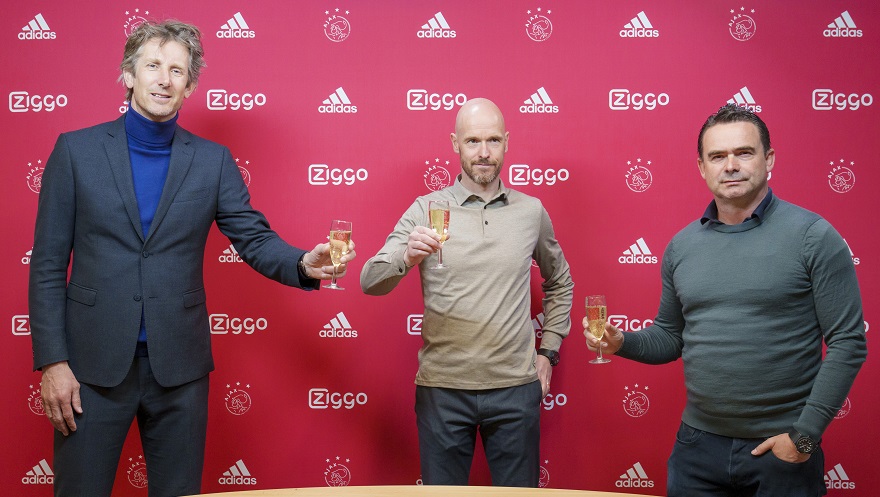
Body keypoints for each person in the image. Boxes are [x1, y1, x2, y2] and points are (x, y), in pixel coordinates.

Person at [28, 20, 355, 497]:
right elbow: (47, 266)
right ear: (129, 75)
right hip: (88, 370)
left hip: (179, 370)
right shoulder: (76, 152)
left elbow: (254, 238)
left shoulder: (212, 161)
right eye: (153, 66)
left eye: (177, 70)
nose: (164, 79)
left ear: (190, 86)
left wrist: (305, 262)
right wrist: (53, 363)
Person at [584, 103, 867, 497]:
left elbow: (848, 342)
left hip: (781, 451)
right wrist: (622, 343)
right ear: (702, 167)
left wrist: (804, 438)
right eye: (717, 156)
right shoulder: (681, 246)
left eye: (743, 153)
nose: (730, 166)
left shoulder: (813, 237)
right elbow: (670, 336)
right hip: (696, 451)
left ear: (769, 159)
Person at [360, 98, 574, 487]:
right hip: (442, 390)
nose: (484, 152)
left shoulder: (531, 211)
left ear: (507, 142)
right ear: (455, 143)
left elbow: (560, 279)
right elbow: (370, 281)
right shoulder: (426, 209)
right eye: (473, 141)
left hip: (514, 390)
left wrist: (549, 351)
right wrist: (406, 256)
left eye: (493, 140)